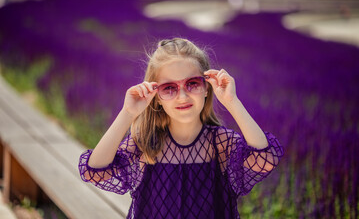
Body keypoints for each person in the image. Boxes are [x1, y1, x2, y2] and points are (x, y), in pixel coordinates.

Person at [78, 38, 284, 219]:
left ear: (206, 88)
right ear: (156, 97)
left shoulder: (219, 143)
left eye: (193, 83)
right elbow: (94, 172)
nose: (183, 96)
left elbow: (264, 160)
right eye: (169, 88)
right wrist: (128, 113)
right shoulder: (146, 143)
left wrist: (232, 102)